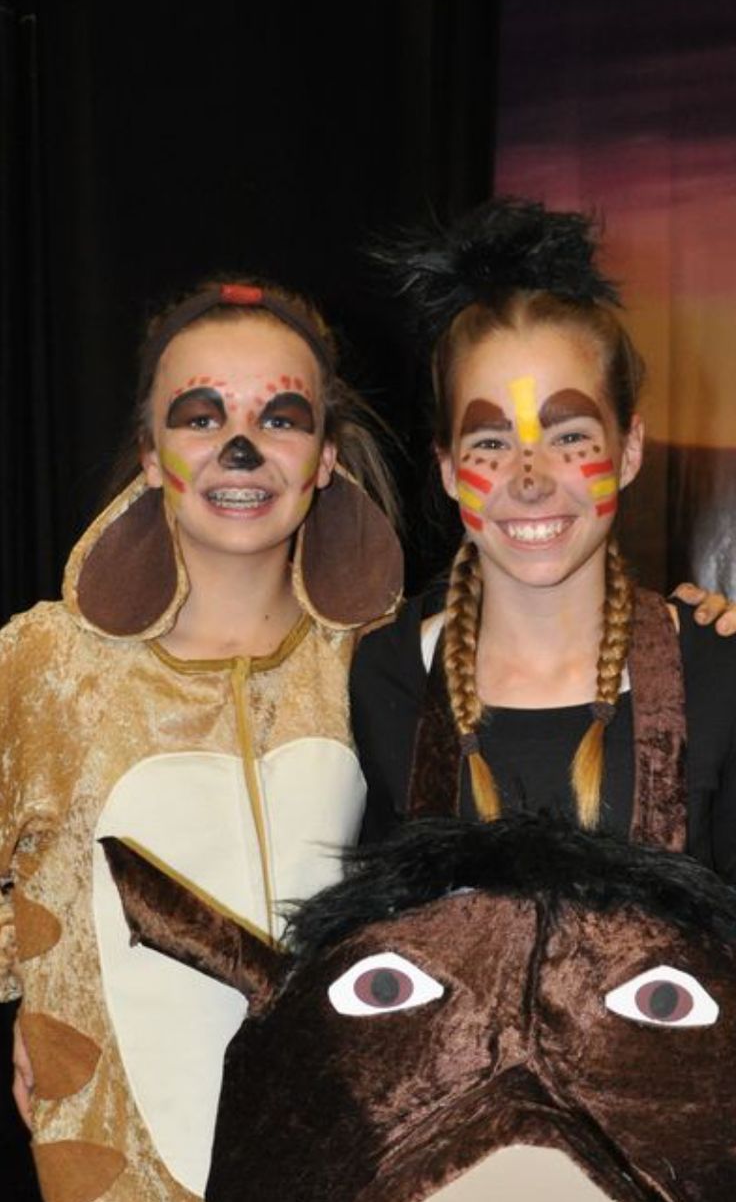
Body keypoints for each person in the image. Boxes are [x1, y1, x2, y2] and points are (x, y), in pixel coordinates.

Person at [0, 277, 402, 1202]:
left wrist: (691, 637)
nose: (240, 444)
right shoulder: (47, 664)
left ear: (327, 459)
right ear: (150, 456)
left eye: (283, 417)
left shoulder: (383, 666)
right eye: (200, 413)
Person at [351, 199, 736, 883]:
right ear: (446, 466)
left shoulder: (714, 670)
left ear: (629, 449)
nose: (530, 481)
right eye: (491, 442)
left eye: (569, 438)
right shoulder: (388, 674)